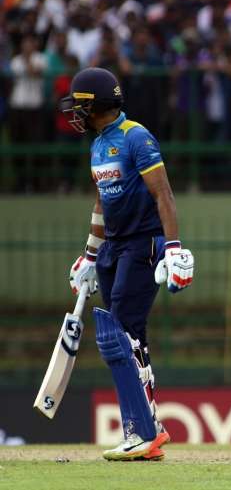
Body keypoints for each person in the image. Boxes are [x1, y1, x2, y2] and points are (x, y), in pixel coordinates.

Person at [60, 68, 195, 460]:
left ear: (97, 104)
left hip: (143, 244)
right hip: (113, 249)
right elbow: (102, 203)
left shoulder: (136, 136)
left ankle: (143, 431)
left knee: (121, 332)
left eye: (80, 105)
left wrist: (172, 247)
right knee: (123, 335)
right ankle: (147, 429)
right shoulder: (98, 145)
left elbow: (163, 193)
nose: (76, 113)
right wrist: (89, 254)